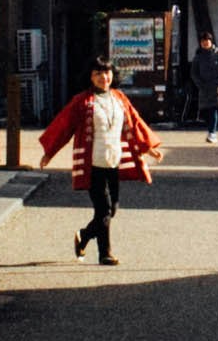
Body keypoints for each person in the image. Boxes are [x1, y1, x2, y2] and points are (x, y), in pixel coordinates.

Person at [37, 56, 159, 264]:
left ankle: (84, 236)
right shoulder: (82, 101)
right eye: (98, 74)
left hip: (113, 161)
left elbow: (136, 123)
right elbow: (63, 127)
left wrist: (149, 148)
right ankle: (105, 254)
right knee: (103, 210)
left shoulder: (120, 98)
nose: (104, 77)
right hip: (93, 163)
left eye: (107, 72)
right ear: (91, 78)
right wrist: (49, 153)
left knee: (112, 209)